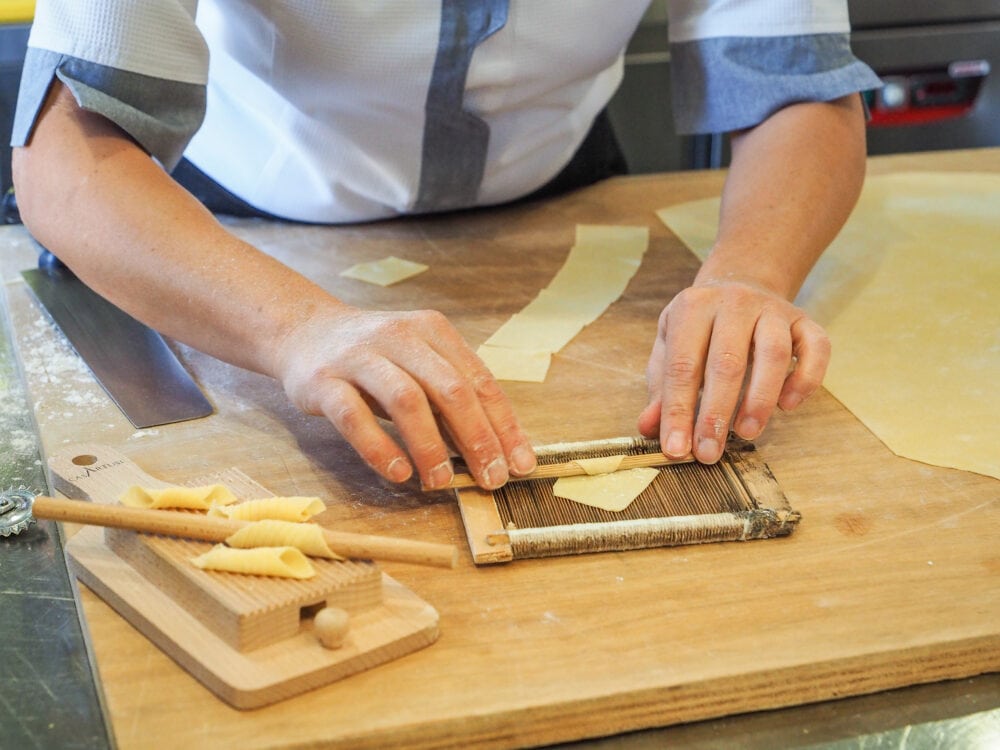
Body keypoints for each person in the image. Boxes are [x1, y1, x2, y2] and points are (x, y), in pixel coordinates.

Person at [11, 1, 881, 491]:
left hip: (559, 200)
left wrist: (750, 274)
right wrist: (296, 329)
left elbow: (796, 88)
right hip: (233, 241)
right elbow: (67, 155)